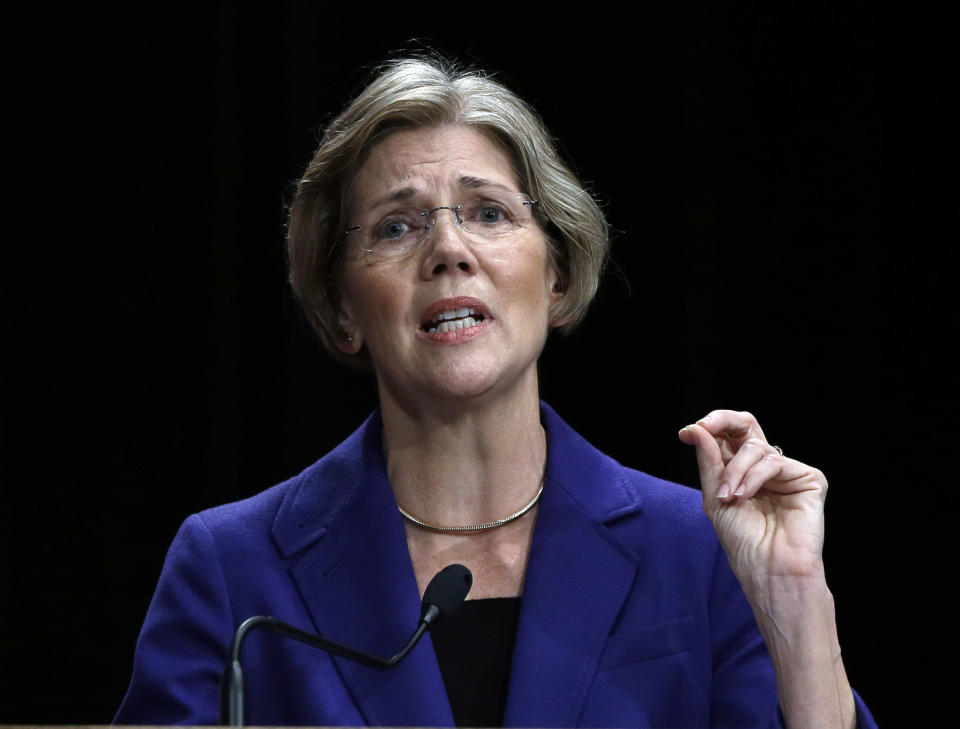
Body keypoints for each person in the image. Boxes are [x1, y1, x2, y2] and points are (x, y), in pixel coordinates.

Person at [114, 56, 877, 728]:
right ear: (344, 306)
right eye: (395, 227)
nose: (449, 248)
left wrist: (795, 600)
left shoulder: (700, 553)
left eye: (488, 212)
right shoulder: (231, 568)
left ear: (556, 272)